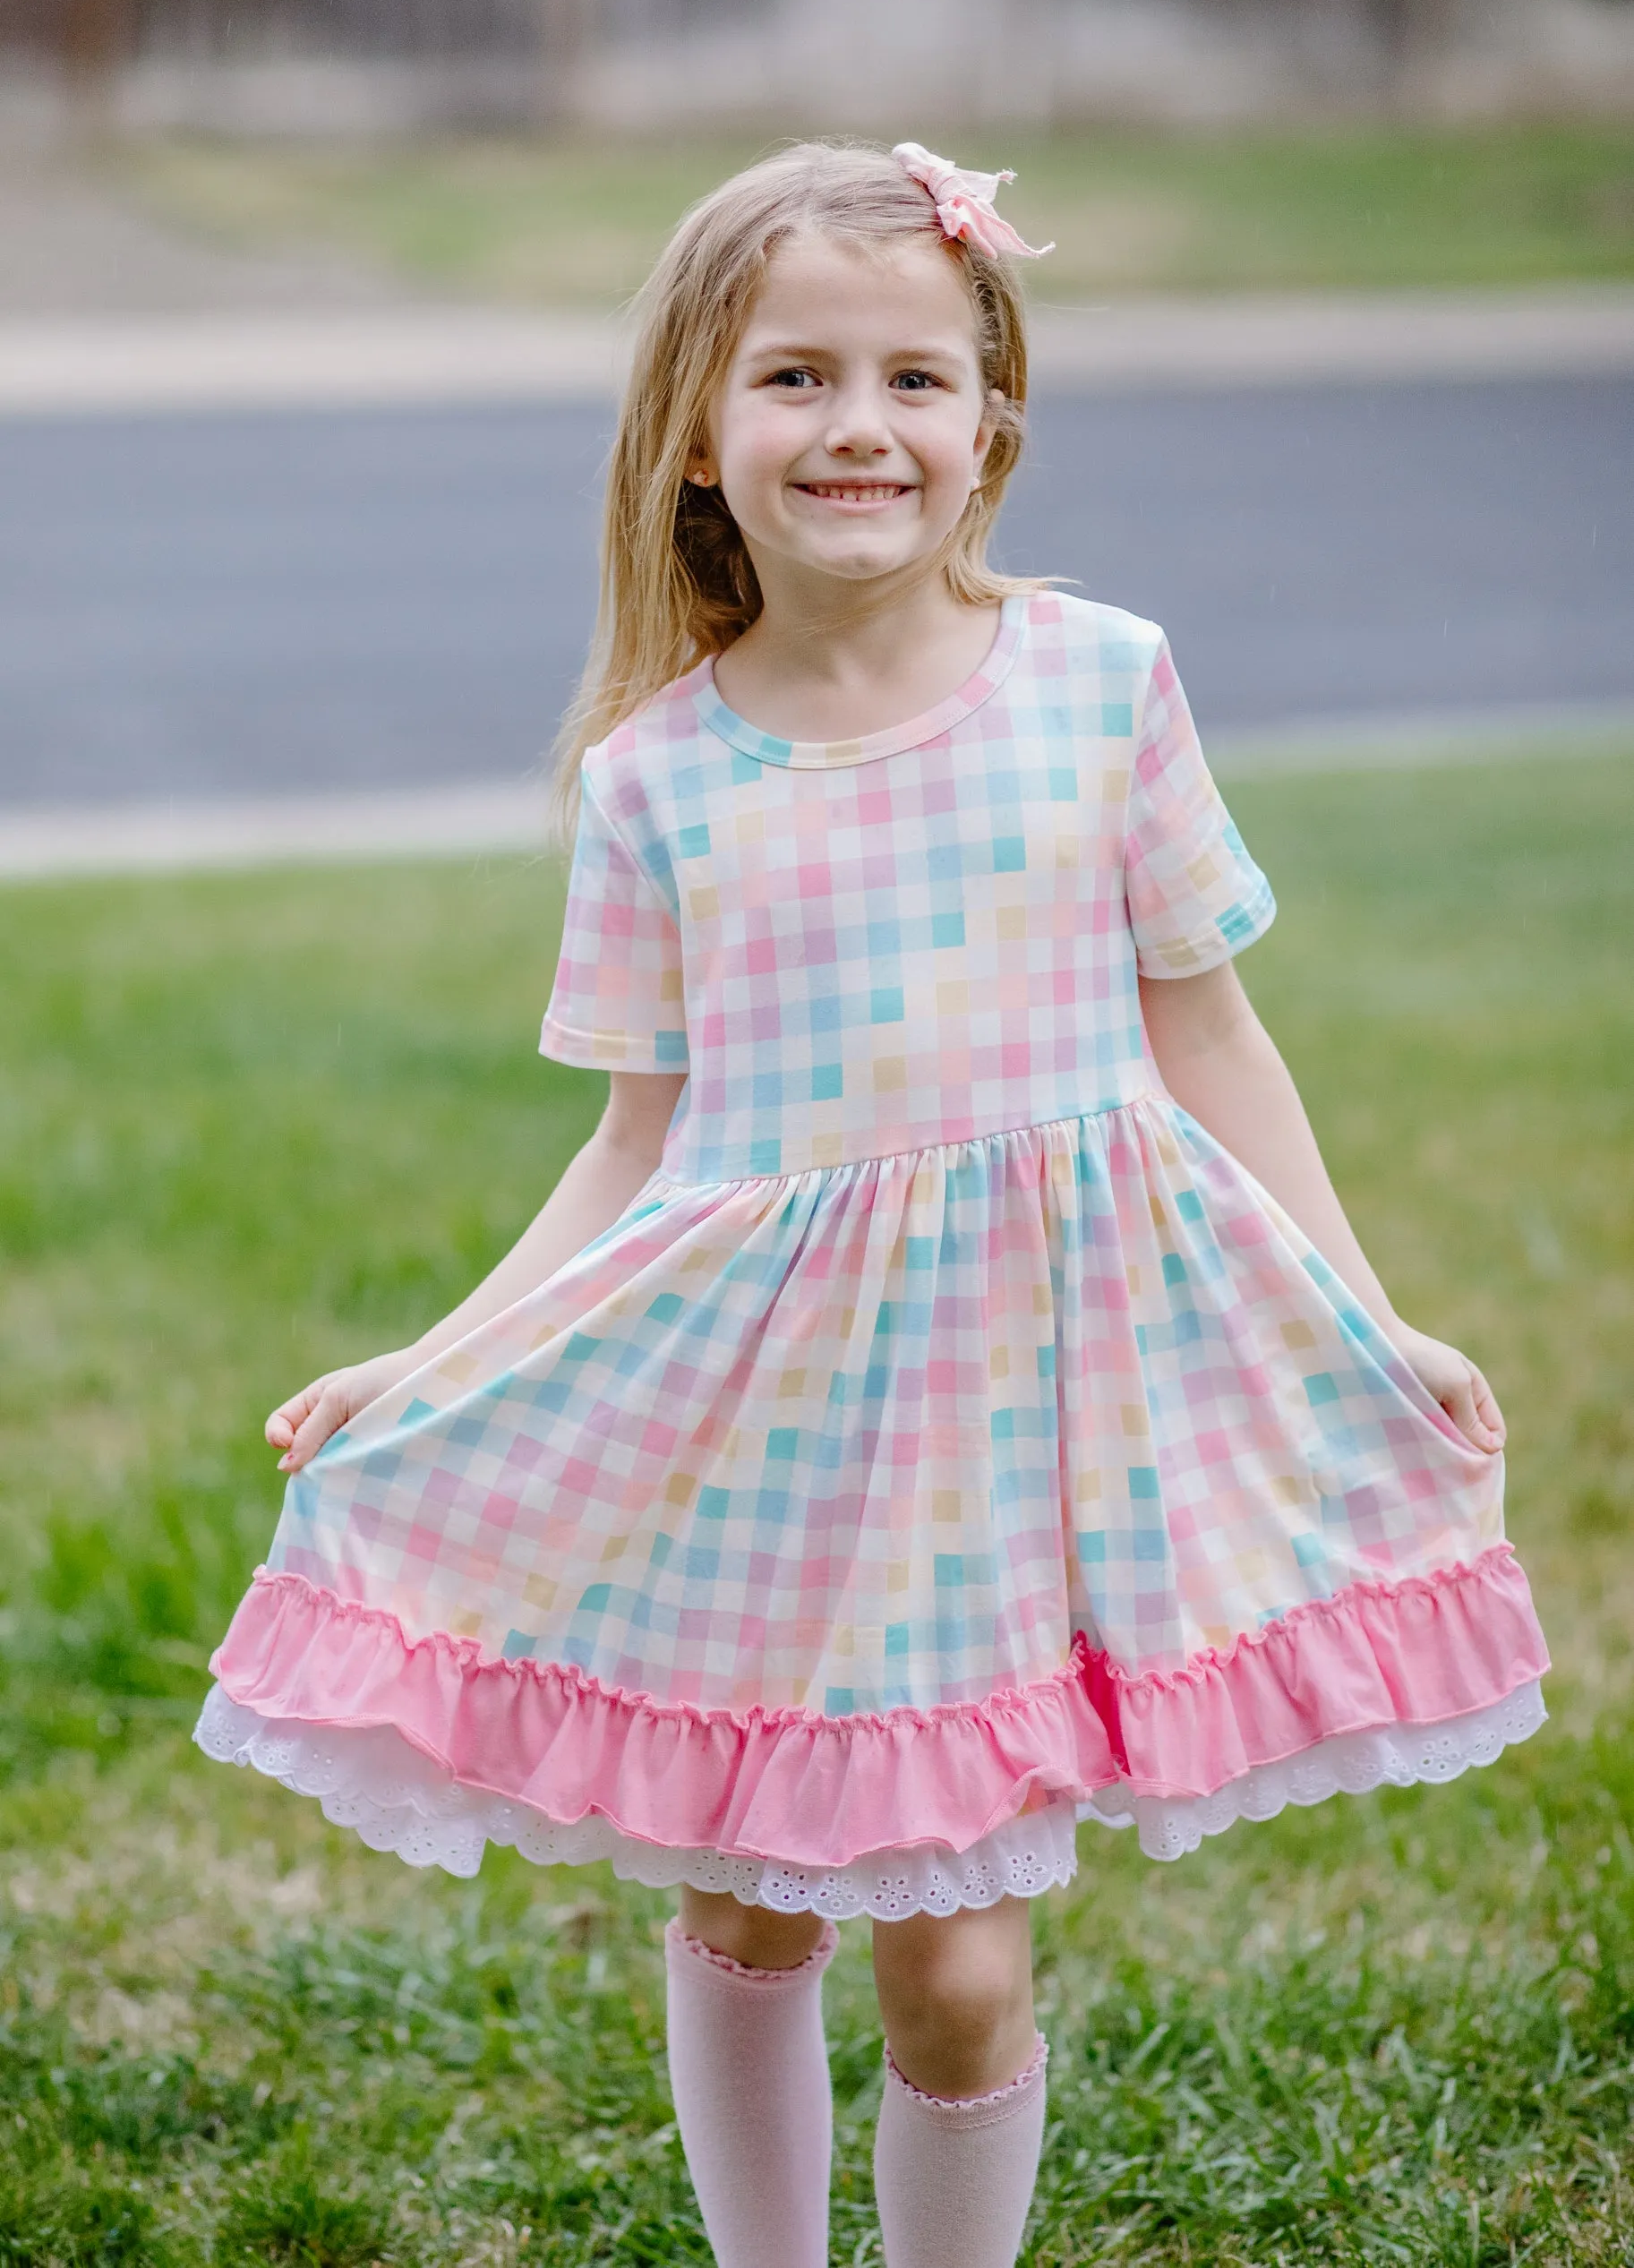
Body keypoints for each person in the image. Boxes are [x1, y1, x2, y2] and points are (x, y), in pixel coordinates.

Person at [197, 140, 1549, 2268]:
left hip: (1030, 1419)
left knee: (958, 1964)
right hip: (770, 1427)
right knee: (747, 1892)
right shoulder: (658, 776)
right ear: (700, 443)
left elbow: (1213, 1041)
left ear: (990, 416)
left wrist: (1370, 1320)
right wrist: (434, 1360)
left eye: (917, 378)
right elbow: (637, 1147)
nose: (861, 425)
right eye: (799, 376)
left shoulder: (1103, 683)